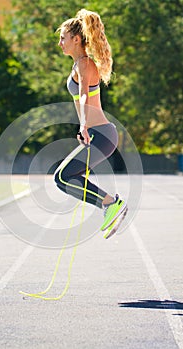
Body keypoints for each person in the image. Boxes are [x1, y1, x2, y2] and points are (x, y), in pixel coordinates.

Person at [54, 9, 127, 235]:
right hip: (99, 134)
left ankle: (110, 204)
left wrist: (83, 124)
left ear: (76, 39)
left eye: (63, 38)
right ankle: (109, 205)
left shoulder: (84, 63)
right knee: (65, 177)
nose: (60, 43)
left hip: (101, 134)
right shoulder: (80, 64)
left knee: (63, 176)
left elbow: (84, 94)